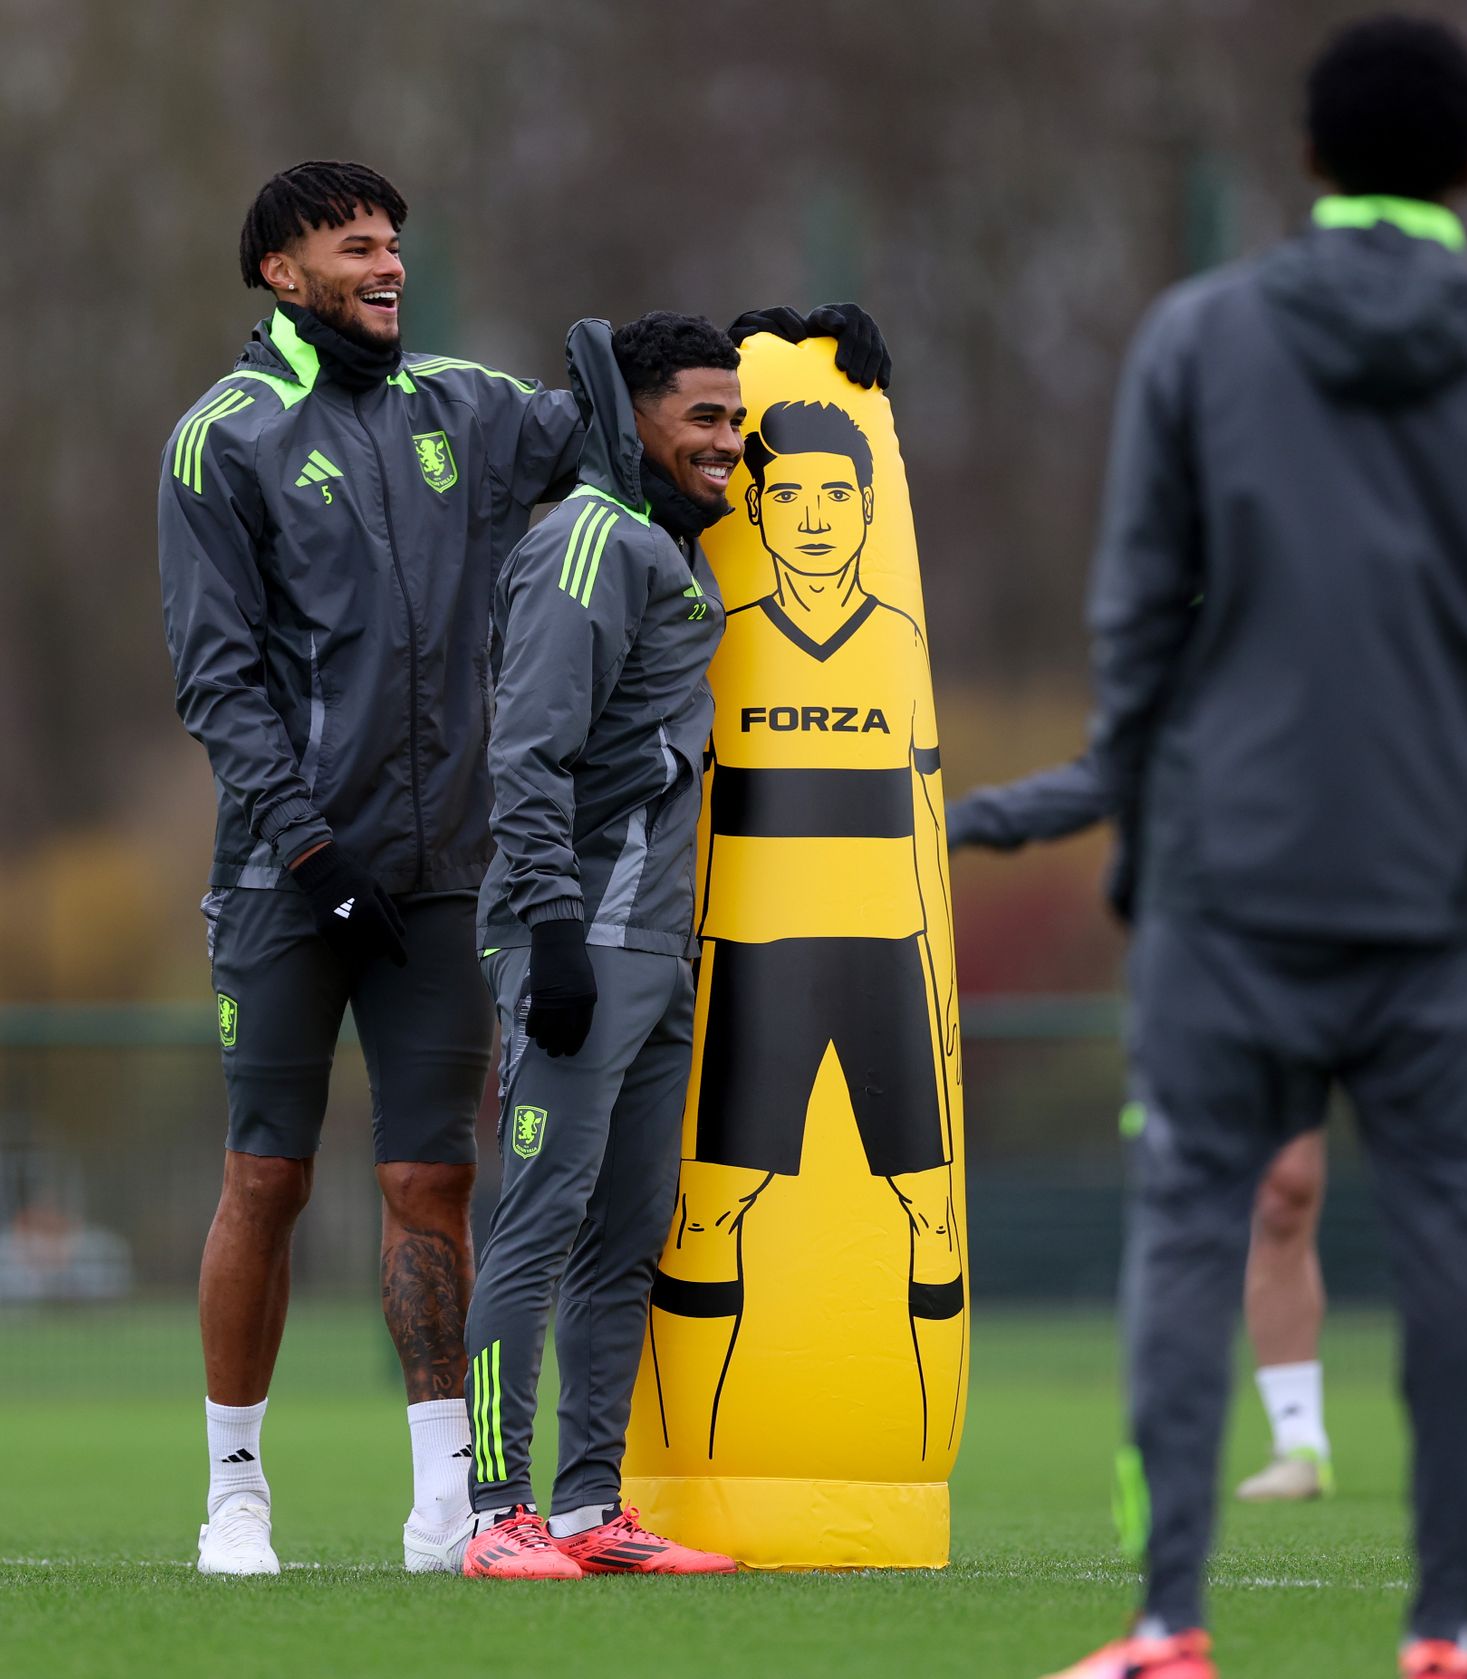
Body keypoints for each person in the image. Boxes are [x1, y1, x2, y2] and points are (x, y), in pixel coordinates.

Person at [1041, 17, 1467, 1679]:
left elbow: (1135, 620)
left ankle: (1169, 1616)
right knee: (1452, 1225)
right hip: (1432, 888)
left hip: (1226, 883)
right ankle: (1447, 1627)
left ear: (1306, 160)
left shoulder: (1195, 339)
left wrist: (1140, 842)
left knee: (1187, 1221)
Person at [947, 694, 1467, 1505]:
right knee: (1281, 1192)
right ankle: (1298, 1444)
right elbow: (1109, 773)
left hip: (1416, 948)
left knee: (1445, 1198)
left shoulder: (1431, 594)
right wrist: (955, 816)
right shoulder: (1215, 620)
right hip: (1266, 956)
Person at [159, 160, 585, 1577]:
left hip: (444, 876)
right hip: (288, 881)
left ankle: (443, 1505)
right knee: (266, 1179)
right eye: (358, 244)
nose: (390, 262)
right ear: (283, 273)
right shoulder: (223, 438)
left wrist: (759, 357)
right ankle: (235, 1492)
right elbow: (217, 680)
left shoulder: (458, 402)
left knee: (432, 1181)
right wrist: (305, 842)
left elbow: (616, 435)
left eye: (397, 241)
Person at [460, 314, 894, 1579]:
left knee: (628, 1230)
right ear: (635, 414)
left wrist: (805, 336)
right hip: (579, 934)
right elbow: (528, 752)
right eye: (701, 418)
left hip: (657, 940)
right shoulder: (590, 541)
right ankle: (496, 1515)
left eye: (737, 417)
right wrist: (549, 931)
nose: (728, 443)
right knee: (538, 1224)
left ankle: (592, 1509)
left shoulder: (658, 543)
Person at [646, 397, 964, 1466]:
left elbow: (923, 806)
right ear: (760, 510)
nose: (816, 514)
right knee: (711, 1212)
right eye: (790, 493)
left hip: (884, 956)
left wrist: (941, 989)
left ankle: (915, 1451)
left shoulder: (895, 637)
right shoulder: (723, 636)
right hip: (756, 959)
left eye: (838, 493)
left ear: (869, 509)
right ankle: (698, 1463)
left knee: (929, 1214)